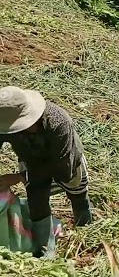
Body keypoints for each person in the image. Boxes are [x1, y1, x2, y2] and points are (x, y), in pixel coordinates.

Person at [0, 86, 92, 259]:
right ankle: (45, 251)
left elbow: (61, 167)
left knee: (76, 192)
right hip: (31, 160)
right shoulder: (5, 119)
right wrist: (27, 177)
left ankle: (86, 230)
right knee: (36, 199)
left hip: (65, 161)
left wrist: (21, 177)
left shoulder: (58, 122)